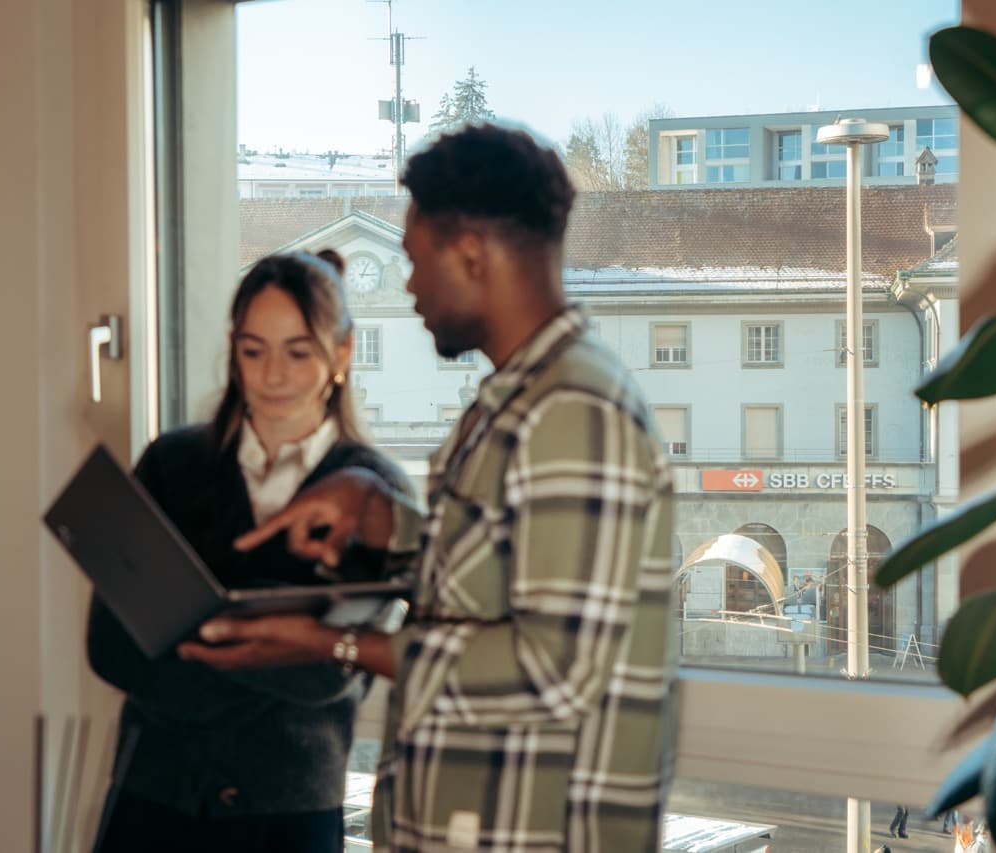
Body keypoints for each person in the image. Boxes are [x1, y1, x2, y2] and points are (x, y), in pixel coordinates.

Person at [179, 123, 678, 852]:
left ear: (470, 252)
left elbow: (552, 669)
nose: (408, 286)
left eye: (414, 260)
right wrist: (385, 521)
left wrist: (333, 644)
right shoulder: (514, 400)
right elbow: (498, 576)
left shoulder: (574, 410)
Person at [87, 250, 412, 853]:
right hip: (153, 801)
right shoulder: (170, 465)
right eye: (253, 350)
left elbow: (332, 679)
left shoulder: (373, 494)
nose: (273, 376)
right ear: (234, 350)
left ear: (341, 354)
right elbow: (109, 648)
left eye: (298, 352)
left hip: (289, 812)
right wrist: (274, 647)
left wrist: (196, 649)